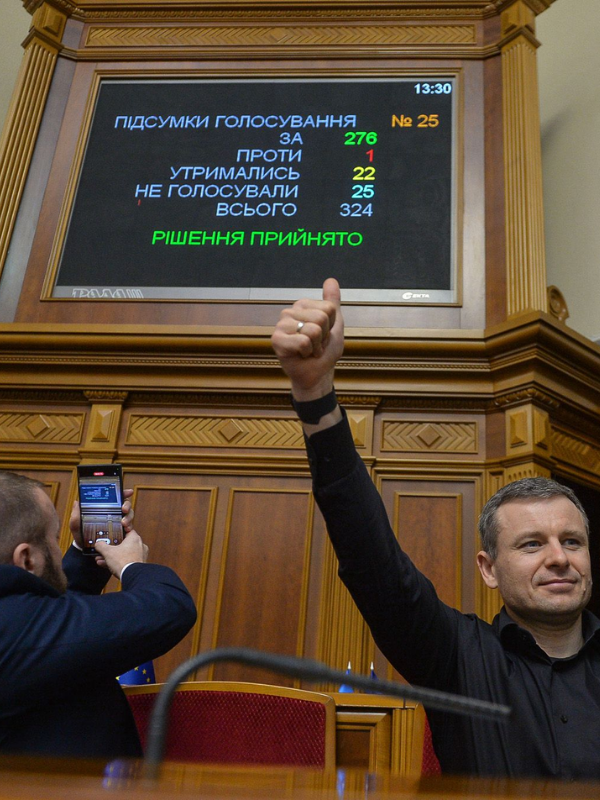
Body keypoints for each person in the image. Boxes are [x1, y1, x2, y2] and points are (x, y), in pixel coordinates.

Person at [272, 278, 600, 781]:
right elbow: (373, 561)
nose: (559, 558)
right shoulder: (456, 655)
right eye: (532, 544)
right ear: (488, 569)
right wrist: (315, 395)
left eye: (571, 541)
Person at [0, 471, 197, 759]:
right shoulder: (16, 628)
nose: (57, 546)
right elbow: (169, 607)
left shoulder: (18, 620)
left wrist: (86, 549)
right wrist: (131, 566)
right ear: (26, 559)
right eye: (54, 538)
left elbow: (58, 629)